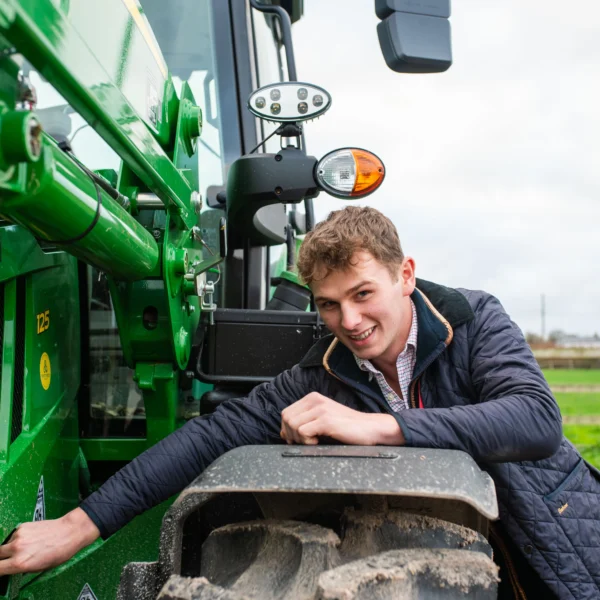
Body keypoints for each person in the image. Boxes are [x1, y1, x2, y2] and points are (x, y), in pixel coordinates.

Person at [0, 206, 598, 599]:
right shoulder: (321, 371)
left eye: (363, 295)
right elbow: (209, 437)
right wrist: (76, 527)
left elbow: (537, 419)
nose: (351, 321)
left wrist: (378, 426)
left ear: (406, 275)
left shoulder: (473, 321)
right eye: (330, 305)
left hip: (552, 533)